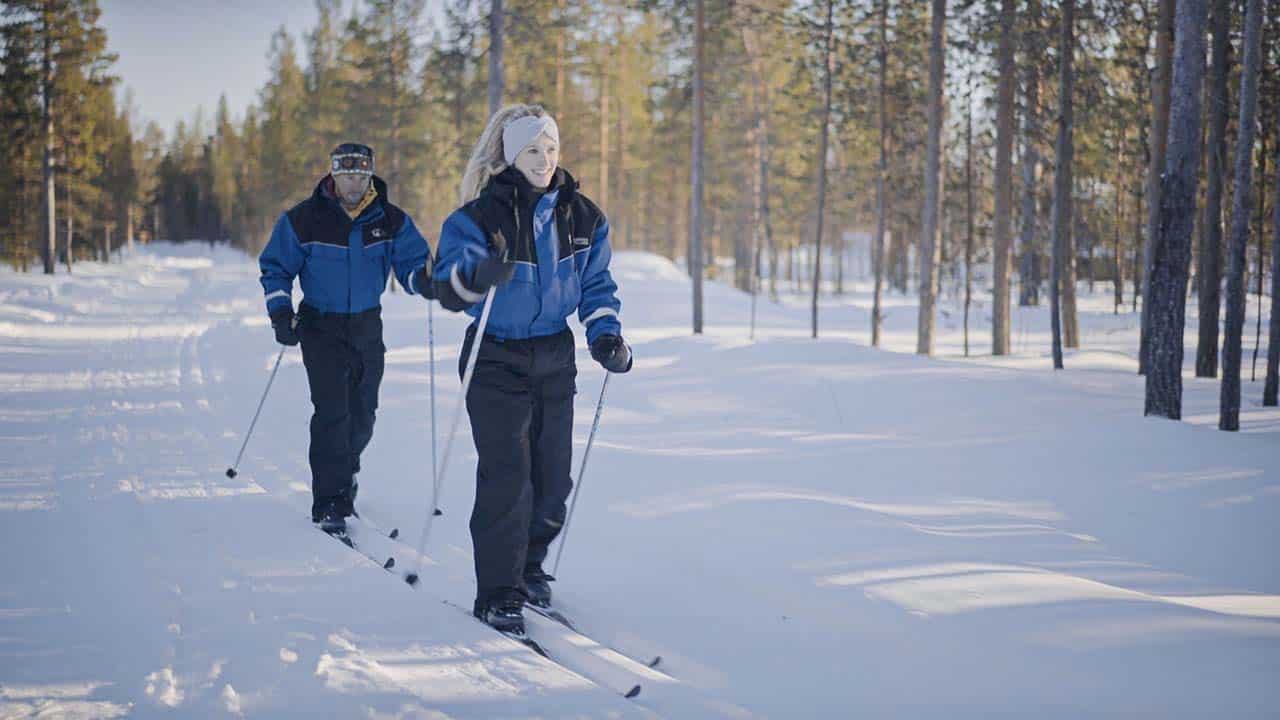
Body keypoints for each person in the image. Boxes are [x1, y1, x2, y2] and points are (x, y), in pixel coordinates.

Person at [433, 105, 633, 634]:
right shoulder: (478, 218)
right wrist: (479, 274)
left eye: (550, 150)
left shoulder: (582, 216)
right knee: (508, 478)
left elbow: (596, 285)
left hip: (553, 355)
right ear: (509, 155)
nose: (544, 161)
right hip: (495, 356)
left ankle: (529, 569)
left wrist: (606, 333)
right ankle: (499, 592)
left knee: (551, 477)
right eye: (532, 151)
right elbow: (448, 289)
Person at [259, 142, 433, 534]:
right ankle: (329, 500)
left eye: (360, 173)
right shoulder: (304, 220)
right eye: (345, 172)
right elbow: (275, 268)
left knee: (363, 414)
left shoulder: (389, 220)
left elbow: (411, 264)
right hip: (320, 326)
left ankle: (346, 471)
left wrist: (424, 279)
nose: (353, 181)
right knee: (332, 412)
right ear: (332, 174)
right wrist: (281, 313)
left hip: (367, 326)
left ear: (369, 174)